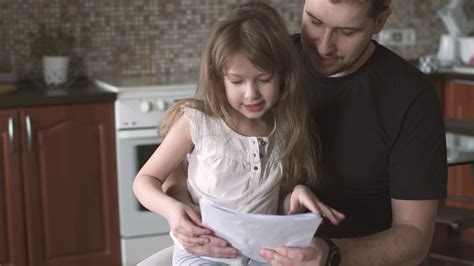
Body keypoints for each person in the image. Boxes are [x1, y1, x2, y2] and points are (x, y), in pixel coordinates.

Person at [141, 0, 448, 265]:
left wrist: (331, 254)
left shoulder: (410, 96)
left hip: (341, 256)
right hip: (227, 246)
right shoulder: (265, 59)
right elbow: (191, 154)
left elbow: (415, 238)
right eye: (315, 21)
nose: (323, 45)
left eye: (346, 31)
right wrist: (182, 208)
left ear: (380, 21)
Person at [133, 2, 344, 265]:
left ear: (283, 76)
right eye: (237, 81)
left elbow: (267, 202)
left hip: (260, 251)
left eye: (263, 79)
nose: (251, 93)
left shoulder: (286, 128)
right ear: (218, 78)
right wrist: (173, 211)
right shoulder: (197, 123)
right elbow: (144, 180)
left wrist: (294, 196)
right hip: (202, 250)